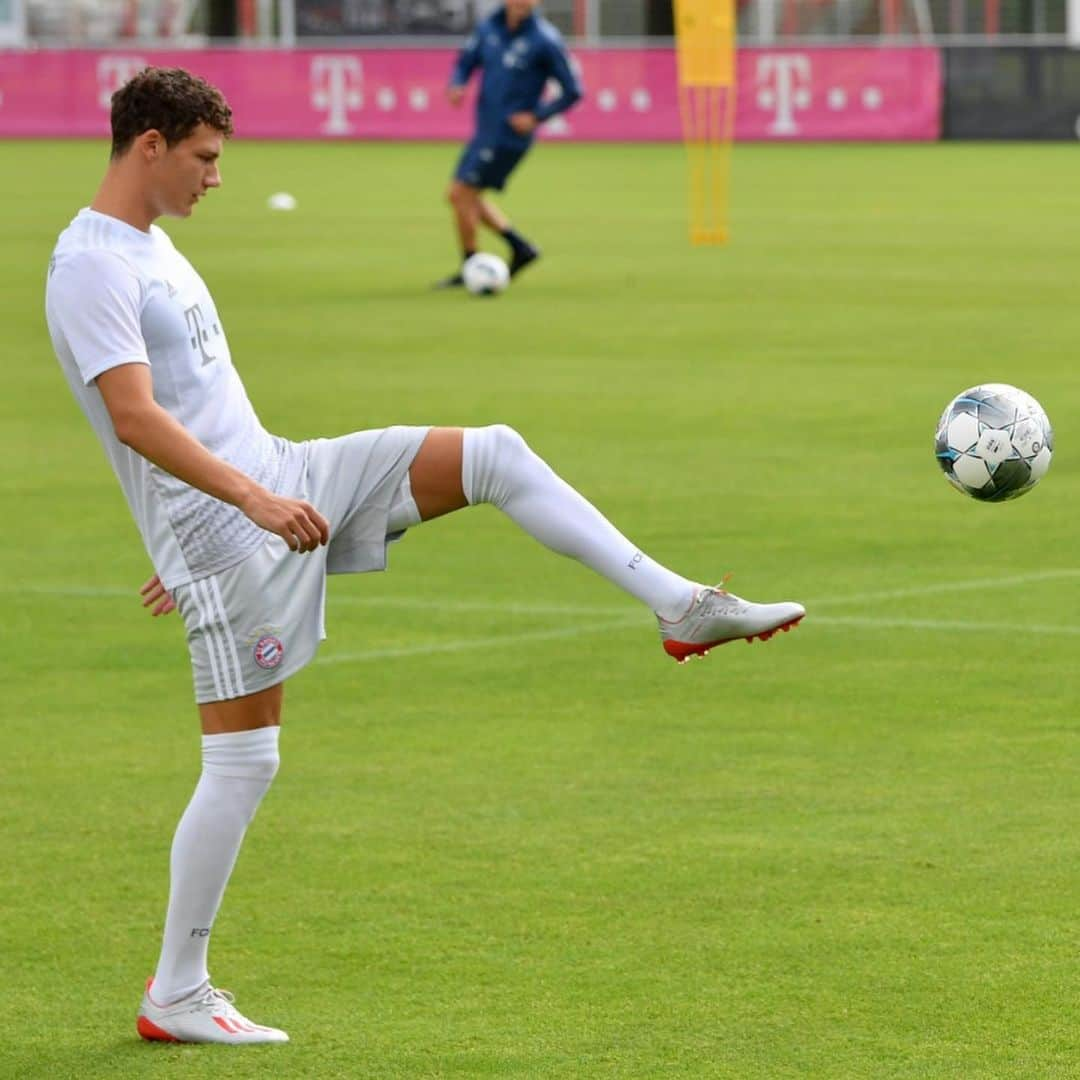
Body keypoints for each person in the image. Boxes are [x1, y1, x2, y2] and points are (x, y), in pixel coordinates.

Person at [44, 67, 804, 1046]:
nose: (216, 177)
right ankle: (177, 993)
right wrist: (225, 518)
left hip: (285, 480)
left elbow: (183, 418)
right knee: (243, 763)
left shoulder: (151, 248)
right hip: (241, 527)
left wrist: (248, 493)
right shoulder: (92, 265)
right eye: (205, 158)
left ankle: (679, 605)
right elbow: (133, 417)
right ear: (149, 145)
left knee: (493, 451)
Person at [435, 0, 583, 289]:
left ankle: (471, 266)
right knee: (460, 196)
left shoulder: (544, 39)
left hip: (508, 136)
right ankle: (519, 248)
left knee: (461, 194)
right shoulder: (490, 27)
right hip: (485, 130)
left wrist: (537, 116)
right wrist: (458, 83)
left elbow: (573, 90)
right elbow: (467, 60)